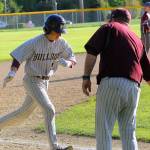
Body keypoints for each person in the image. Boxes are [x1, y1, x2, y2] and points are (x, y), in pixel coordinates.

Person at [1, 14, 76, 150]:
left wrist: (68, 63)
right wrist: (12, 72)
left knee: (22, 114)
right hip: (32, 81)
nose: (60, 35)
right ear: (49, 30)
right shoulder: (35, 42)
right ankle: (55, 147)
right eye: (57, 32)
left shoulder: (62, 43)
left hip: (45, 83)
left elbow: (72, 58)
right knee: (49, 110)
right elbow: (19, 56)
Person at [82, 8, 150, 150]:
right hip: (134, 89)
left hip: (112, 83)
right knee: (129, 133)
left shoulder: (109, 27)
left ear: (112, 18)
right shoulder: (137, 39)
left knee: (104, 130)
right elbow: (148, 73)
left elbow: (92, 52)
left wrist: (86, 77)